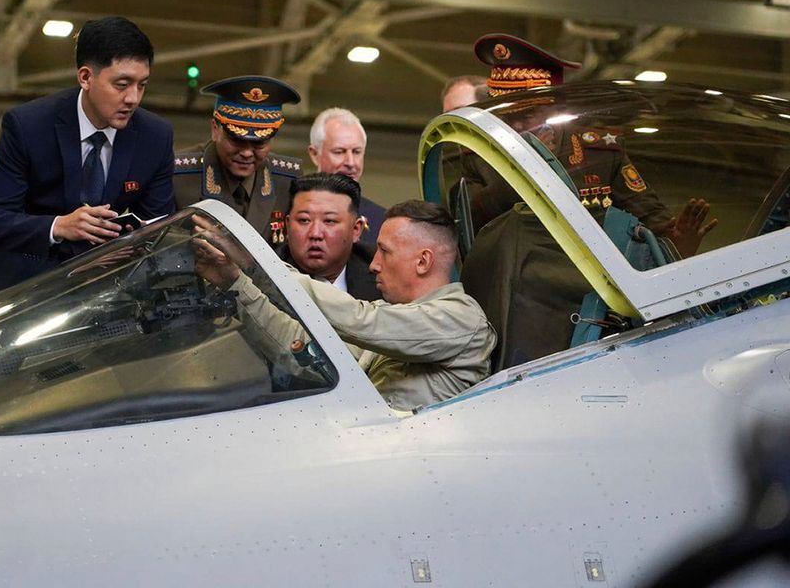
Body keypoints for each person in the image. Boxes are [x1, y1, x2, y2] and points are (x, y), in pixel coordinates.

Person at [194, 200, 496, 412]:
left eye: (384, 252)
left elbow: (360, 320)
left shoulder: (462, 319)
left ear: (423, 261)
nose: (373, 265)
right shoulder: (394, 324)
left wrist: (258, 263)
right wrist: (236, 282)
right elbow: (300, 349)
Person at [459, 33, 717, 256]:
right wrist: (519, 173)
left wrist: (675, 239)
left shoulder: (599, 152)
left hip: (582, 289)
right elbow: (465, 224)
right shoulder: (478, 154)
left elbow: (652, 221)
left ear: (555, 107)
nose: (514, 126)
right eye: (506, 117)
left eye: (525, 116)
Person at [0, 16, 174, 296]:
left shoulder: (156, 136)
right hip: (27, 298)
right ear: (85, 77)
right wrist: (59, 226)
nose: (133, 98)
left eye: (142, 85)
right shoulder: (28, 126)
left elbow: (161, 229)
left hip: (113, 302)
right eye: (122, 84)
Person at [173, 75, 303, 246]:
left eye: (259, 143)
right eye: (236, 141)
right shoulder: (176, 176)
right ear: (215, 130)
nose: (247, 153)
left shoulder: (287, 180)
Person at [278, 173, 380, 301]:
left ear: (356, 230)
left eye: (329, 221)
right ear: (287, 226)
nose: (315, 234)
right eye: (304, 220)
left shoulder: (381, 275)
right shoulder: (266, 277)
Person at [307, 107, 385, 246]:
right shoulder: (293, 209)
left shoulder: (381, 220)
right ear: (314, 154)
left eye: (356, 152)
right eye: (339, 152)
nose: (350, 162)